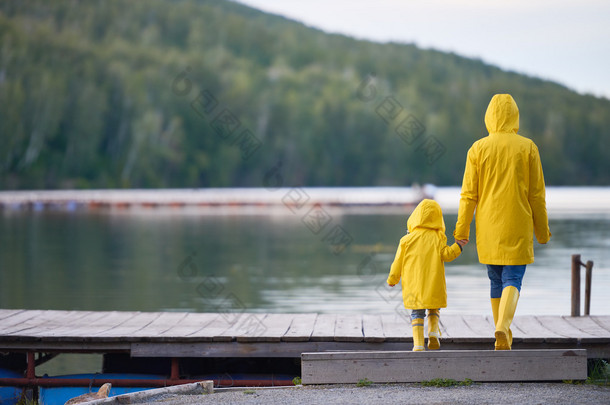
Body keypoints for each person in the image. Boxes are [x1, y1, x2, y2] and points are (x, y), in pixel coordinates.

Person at [454, 93, 551, 350]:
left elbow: (468, 196)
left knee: (496, 280)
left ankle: (502, 335)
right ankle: (503, 327)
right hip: (517, 226)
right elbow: (536, 195)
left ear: (489, 117)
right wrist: (542, 231)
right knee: (513, 279)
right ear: (515, 116)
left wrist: (461, 230)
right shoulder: (528, 147)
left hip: (488, 228)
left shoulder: (477, 149)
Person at [387, 199, 466, 351]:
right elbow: (447, 255)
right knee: (434, 308)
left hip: (414, 285)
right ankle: (433, 332)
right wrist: (459, 246)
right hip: (433, 283)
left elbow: (398, 262)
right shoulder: (438, 238)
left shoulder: (406, 240)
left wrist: (393, 278)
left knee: (416, 312)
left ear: (415, 216)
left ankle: (417, 344)